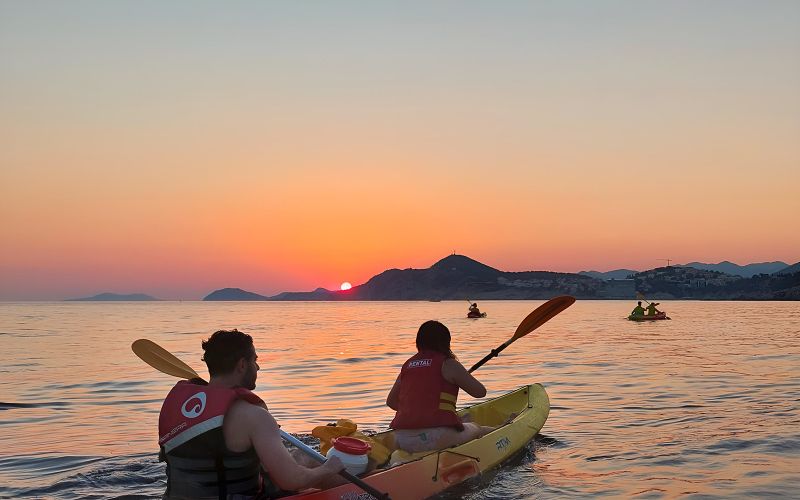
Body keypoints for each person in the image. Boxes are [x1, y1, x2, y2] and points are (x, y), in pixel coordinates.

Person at [158, 329, 344, 499]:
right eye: (254, 360)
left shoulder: (180, 407)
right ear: (241, 364)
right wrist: (329, 468)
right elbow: (292, 480)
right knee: (322, 465)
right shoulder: (254, 416)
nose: (257, 367)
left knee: (303, 457)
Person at [386, 320, 494, 453]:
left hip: (402, 439)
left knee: (461, 421)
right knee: (477, 428)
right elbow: (480, 392)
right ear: (446, 342)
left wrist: (420, 412)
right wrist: (460, 375)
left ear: (419, 343)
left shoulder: (408, 366)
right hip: (434, 438)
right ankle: (505, 427)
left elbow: (391, 402)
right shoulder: (448, 364)